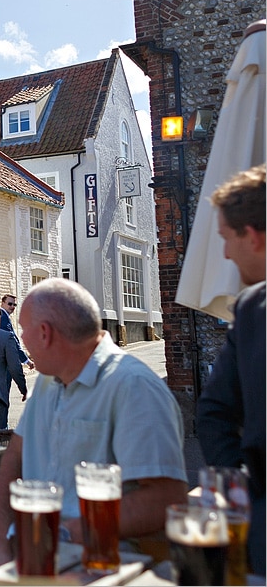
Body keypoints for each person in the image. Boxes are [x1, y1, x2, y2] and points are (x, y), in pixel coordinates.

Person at [0, 279, 188, 585]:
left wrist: (70, 529)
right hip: (22, 529)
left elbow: (166, 499)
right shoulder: (50, 381)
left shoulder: (133, 387)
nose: (19, 338)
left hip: (94, 544)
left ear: (45, 334)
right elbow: (13, 461)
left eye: (22, 329)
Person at [196, 164, 265, 576]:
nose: (225, 253)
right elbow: (213, 413)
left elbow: (214, 412)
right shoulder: (252, 310)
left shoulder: (254, 311)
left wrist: (242, 488)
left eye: (226, 238)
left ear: (252, 237)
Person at [0, 294, 35, 372]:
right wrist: (26, 361)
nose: (12, 306)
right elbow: (12, 341)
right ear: (2, 303)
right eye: (9, 304)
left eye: (14, 304)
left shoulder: (3, 316)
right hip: (4, 362)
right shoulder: (3, 318)